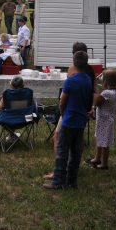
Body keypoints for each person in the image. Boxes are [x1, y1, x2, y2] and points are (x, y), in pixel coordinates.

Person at [43, 51, 93, 190]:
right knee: (76, 154)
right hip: (81, 121)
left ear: (74, 63)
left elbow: (62, 101)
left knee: (62, 153)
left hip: (69, 120)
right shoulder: (88, 80)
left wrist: (63, 114)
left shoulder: (70, 81)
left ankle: (58, 182)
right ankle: (72, 181)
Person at [87, 68, 116, 170]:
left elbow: (97, 101)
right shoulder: (114, 92)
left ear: (106, 81)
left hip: (104, 121)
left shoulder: (106, 93)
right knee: (100, 138)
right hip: (105, 119)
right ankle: (97, 158)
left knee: (104, 142)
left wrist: (94, 89)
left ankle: (104, 163)